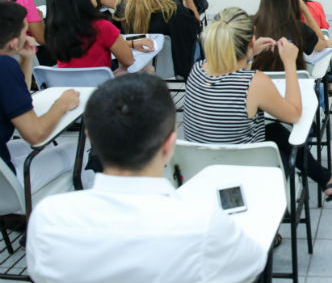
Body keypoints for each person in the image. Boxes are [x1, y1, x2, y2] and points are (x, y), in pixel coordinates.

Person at [26, 73, 268, 283]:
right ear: (170, 143)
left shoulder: (48, 219)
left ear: (90, 136)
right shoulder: (203, 224)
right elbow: (253, 264)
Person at [183, 7, 332, 201]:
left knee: (274, 130)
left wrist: (251, 53)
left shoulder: (197, 69)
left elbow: (233, 73)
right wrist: (290, 62)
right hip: (244, 176)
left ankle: (328, 180)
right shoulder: (254, 82)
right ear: (250, 41)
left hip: (201, 172)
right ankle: (325, 182)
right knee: (286, 138)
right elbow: (294, 114)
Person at [0, 1, 80, 192]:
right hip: (6, 186)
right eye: (24, 32)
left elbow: (18, 97)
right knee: (74, 150)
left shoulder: (6, 69)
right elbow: (35, 135)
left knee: (25, 148)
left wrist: (26, 58)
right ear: (13, 42)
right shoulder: (4, 68)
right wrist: (61, 104)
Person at [113, 0, 201, 79]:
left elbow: (114, 39)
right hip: (169, 69)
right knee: (198, 43)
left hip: (130, 66)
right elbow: (196, 26)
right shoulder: (172, 11)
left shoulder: (123, 6)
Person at [45, 0, 152, 71]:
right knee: (148, 70)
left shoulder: (55, 31)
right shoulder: (101, 26)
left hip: (69, 88)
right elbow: (128, 60)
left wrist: (132, 44)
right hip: (100, 88)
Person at [251, 0, 332, 73]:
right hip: (292, 84)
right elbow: (321, 45)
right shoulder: (299, 29)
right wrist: (305, 9)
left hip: (257, 86)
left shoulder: (249, 24)